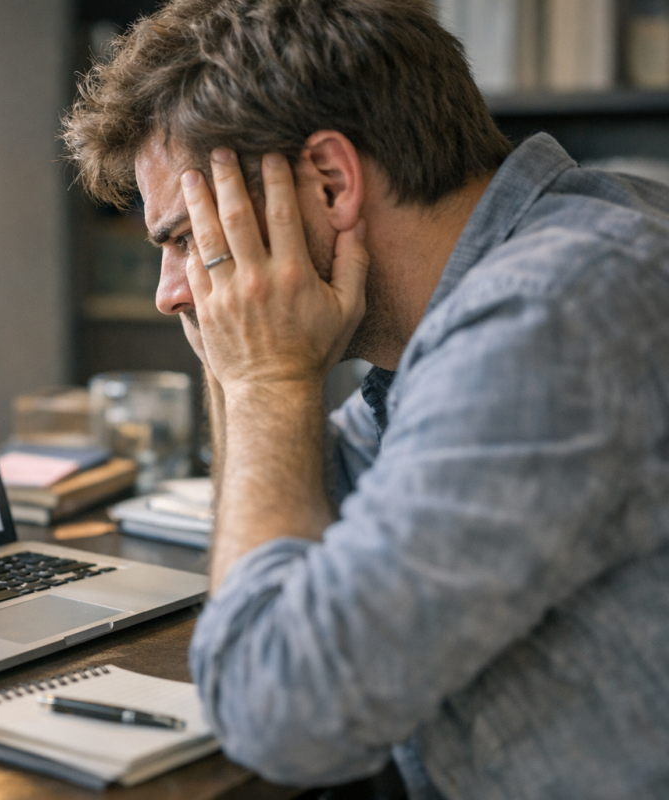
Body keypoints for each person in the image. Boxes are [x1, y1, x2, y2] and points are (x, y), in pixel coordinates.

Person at [61, 1, 669, 798]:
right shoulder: (548, 251)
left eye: (183, 239)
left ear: (331, 180)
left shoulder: (549, 312)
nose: (169, 293)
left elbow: (278, 712)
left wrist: (263, 383)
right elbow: (329, 509)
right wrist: (256, 370)